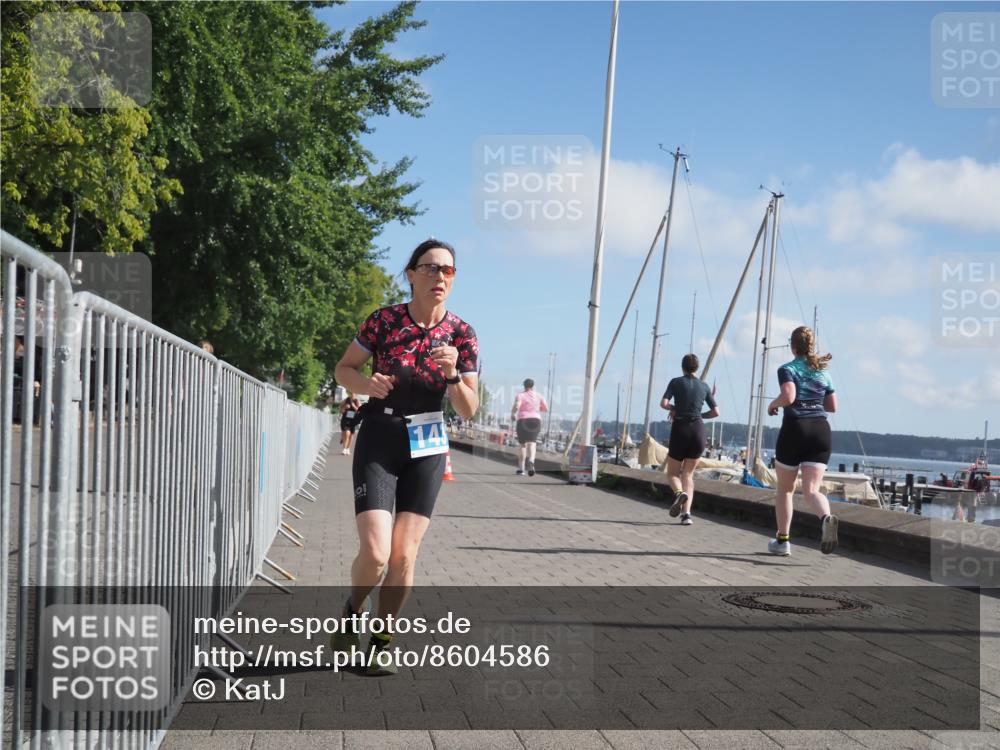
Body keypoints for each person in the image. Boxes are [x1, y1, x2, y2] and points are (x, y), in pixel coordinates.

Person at [332, 238, 479, 675]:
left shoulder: (462, 333)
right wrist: (365, 385)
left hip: (429, 439)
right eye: (431, 268)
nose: (440, 277)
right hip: (381, 433)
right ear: (411, 274)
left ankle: (381, 642)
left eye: (448, 270)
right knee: (376, 554)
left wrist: (453, 374)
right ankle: (352, 610)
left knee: (403, 556)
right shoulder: (383, 321)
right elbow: (344, 368)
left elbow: (470, 408)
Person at [766, 326, 838, 556]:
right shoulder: (823, 373)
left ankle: (783, 541)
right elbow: (832, 407)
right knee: (811, 490)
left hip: (795, 430)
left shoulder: (787, 369)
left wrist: (773, 404)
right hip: (820, 431)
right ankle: (826, 518)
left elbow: (789, 396)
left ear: (793, 346)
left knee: (785, 490)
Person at [660, 354, 719, 525]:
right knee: (688, 474)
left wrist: (675, 408)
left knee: (672, 473)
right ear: (697, 368)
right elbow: (716, 412)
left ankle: (679, 494)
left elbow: (664, 404)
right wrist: (700, 415)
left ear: (682, 367)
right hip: (698, 431)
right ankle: (686, 515)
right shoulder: (705, 386)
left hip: (681, 429)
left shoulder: (675, 382)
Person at [510, 378, 548, 476]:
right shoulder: (539, 396)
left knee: (522, 444)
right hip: (535, 420)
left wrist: (513, 413)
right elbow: (545, 408)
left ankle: (521, 469)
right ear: (533, 386)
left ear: (524, 386)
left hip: (523, 420)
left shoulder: (520, 395)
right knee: (532, 443)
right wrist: (535, 408)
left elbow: (517, 406)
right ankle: (531, 460)